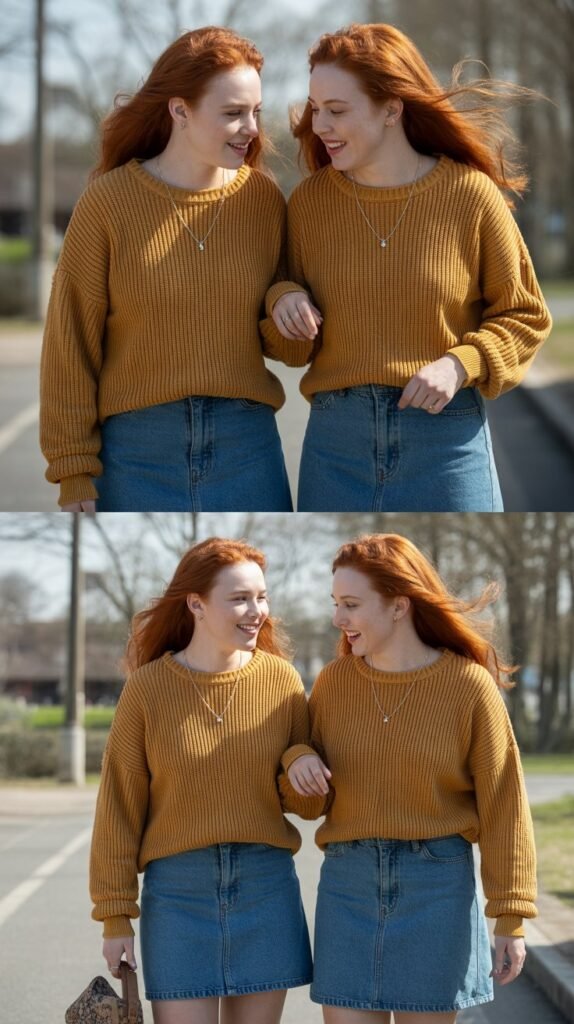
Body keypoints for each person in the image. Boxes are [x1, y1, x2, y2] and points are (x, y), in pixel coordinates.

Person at [261, 22, 552, 512]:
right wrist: (283, 298)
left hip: (447, 443)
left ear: (392, 109)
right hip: (336, 445)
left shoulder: (469, 195)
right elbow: (288, 346)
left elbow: (526, 316)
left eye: (336, 110)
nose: (320, 125)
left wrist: (460, 363)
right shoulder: (309, 203)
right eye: (315, 108)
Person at [282, 532, 536, 1022]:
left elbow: (505, 805)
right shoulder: (334, 683)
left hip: (437, 888)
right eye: (335, 603)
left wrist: (511, 916)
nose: (337, 619)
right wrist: (297, 759)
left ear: (399, 605)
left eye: (351, 604)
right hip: (348, 885)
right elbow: (309, 804)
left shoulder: (468, 686)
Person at [40, 27, 292, 512]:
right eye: (233, 113)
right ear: (180, 111)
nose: (252, 129)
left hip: (248, 448)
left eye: (256, 112)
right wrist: (73, 472)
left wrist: (287, 301)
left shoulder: (262, 200)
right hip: (135, 454)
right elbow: (69, 343)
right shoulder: (108, 202)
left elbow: (288, 349)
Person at [90, 537, 313, 1024]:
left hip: (266, 886)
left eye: (261, 597)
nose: (257, 611)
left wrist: (300, 760)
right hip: (178, 895)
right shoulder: (147, 689)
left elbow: (308, 805)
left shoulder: (283, 682)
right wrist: (115, 916)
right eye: (239, 598)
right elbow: (118, 808)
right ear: (196, 604)